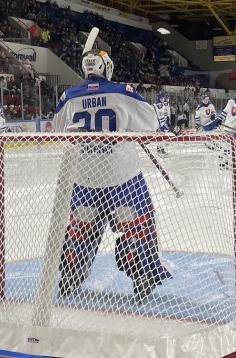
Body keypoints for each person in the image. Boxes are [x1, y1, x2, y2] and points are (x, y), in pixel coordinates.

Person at [53, 46, 171, 301]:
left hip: (84, 178)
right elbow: (151, 124)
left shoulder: (69, 96)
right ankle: (144, 277)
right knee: (136, 227)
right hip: (122, 177)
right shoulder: (122, 92)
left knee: (79, 230)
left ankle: (70, 276)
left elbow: (58, 128)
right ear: (107, 67)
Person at [210, 87, 236, 166]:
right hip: (228, 127)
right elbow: (225, 112)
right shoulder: (231, 101)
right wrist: (219, 119)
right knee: (226, 144)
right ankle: (224, 161)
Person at [153, 91, 171, 155]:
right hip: (160, 124)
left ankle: (159, 149)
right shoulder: (159, 105)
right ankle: (162, 150)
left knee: (160, 137)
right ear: (160, 98)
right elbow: (159, 116)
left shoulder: (158, 104)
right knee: (162, 137)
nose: (164, 99)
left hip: (159, 124)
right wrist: (162, 125)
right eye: (162, 98)